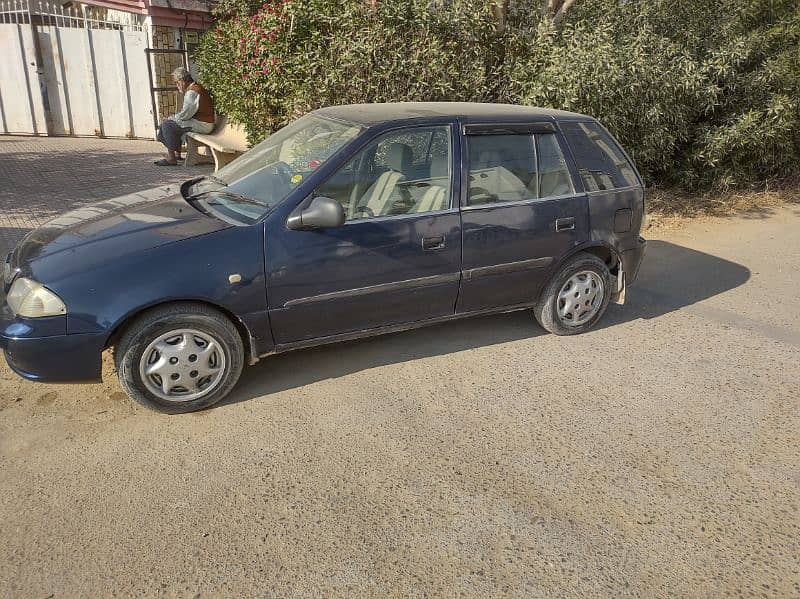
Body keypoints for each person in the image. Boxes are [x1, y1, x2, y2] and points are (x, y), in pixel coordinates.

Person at [154, 67, 215, 166]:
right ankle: (176, 154)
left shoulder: (192, 92)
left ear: (182, 81)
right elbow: (186, 114)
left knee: (167, 125)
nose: (177, 85)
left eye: (177, 82)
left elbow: (185, 114)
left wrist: (171, 118)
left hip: (203, 124)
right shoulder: (194, 88)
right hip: (201, 122)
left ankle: (171, 158)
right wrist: (172, 118)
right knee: (170, 124)